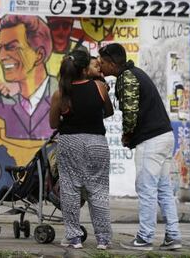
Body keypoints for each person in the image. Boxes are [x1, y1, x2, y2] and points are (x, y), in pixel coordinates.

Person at [98, 43, 182, 251]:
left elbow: (130, 111)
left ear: (112, 63)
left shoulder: (127, 77)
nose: (100, 67)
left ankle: (144, 238)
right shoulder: (135, 73)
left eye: (102, 63)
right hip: (165, 136)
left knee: (146, 188)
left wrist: (127, 135)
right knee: (163, 189)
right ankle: (173, 236)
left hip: (151, 140)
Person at [49, 49, 114, 249]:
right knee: (99, 191)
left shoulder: (61, 94)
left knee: (70, 189)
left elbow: (53, 124)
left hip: (70, 143)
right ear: (86, 69)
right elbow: (108, 111)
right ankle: (103, 239)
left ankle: (74, 238)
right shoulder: (99, 87)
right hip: (97, 142)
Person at [0, 14, 56, 140]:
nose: (0, 57)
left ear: (39, 55)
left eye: (11, 47)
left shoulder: (62, 96)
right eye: (0, 48)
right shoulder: (12, 103)